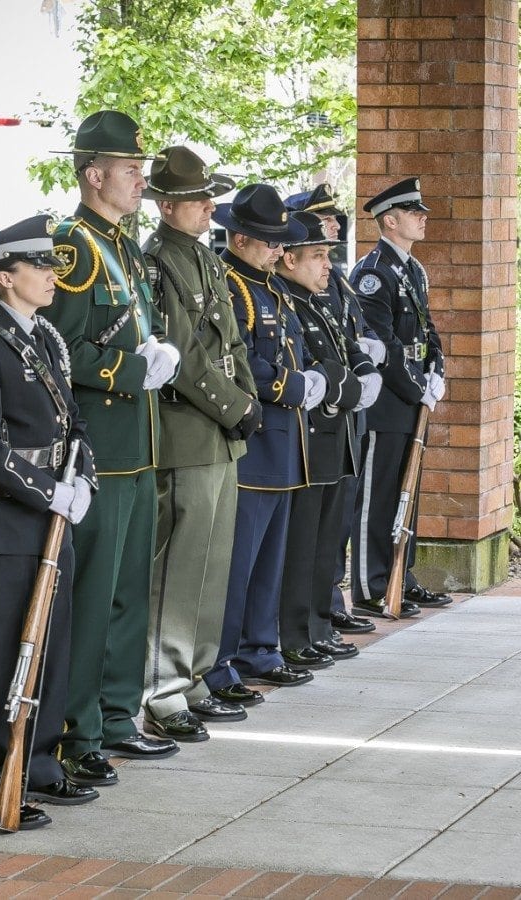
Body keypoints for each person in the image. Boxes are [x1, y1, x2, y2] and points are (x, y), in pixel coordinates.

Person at [0, 214, 100, 830]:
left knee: (49, 652)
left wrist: (82, 477)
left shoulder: (47, 340)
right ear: (6, 278)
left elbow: (72, 426)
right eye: (40, 267)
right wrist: (47, 492)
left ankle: (35, 766)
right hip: (5, 520)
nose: (51, 277)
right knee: (3, 657)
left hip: (50, 516)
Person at [42, 110, 181, 784]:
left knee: (131, 591)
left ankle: (120, 718)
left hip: (140, 444)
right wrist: (131, 370)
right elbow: (59, 348)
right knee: (95, 596)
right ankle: (78, 731)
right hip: (101, 448)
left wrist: (154, 358)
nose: (140, 181)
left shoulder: (124, 247)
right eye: (132, 170)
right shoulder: (73, 247)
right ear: (95, 174)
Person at [140, 146, 262, 742]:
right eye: (198, 199)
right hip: (186, 430)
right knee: (181, 566)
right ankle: (162, 691)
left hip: (219, 432)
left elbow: (230, 340)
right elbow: (182, 355)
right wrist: (234, 405)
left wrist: (247, 397)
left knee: (213, 562)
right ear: (168, 205)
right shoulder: (161, 260)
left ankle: (195, 676)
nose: (210, 207)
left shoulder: (205, 258)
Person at [203, 184, 331, 695]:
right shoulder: (232, 286)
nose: (280, 249)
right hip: (256, 443)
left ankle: (261, 647)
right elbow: (240, 361)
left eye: (282, 241)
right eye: (269, 240)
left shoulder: (269, 286)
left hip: (284, 445)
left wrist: (316, 379)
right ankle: (222, 661)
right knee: (238, 565)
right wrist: (294, 386)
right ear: (239, 238)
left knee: (268, 561)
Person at [276, 211, 383, 667]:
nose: (327, 265)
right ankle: (295, 635)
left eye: (327, 255)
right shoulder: (289, 300)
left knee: (326, 543)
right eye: (317, 255)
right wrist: (352, 385)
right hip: (310, 436)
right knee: (302, 545)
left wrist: (363, 369)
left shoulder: (320, 298)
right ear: (288, 258)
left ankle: (319, 624)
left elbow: (347, 346)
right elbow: (317, 367)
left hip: (336, 437)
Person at [349, 177, 451, 618]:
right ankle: (373, 585)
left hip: (411, 398)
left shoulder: (412, 269)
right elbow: (383, 345)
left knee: (406, 495)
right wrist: (415, 386)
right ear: (389, 220)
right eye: (414, 213)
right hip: (386, 404)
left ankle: (400, 576)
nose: (423, 218)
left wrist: (437, 372)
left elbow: (426, 330)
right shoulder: (373, 273)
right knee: (379, 496)